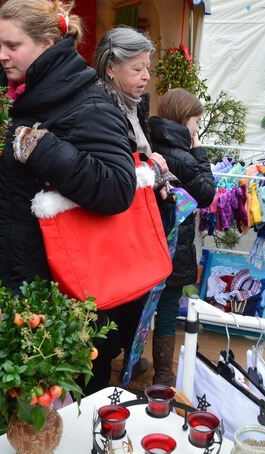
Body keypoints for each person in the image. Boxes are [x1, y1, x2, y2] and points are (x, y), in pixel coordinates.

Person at [0, 0, 136, 291]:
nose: (1, 55)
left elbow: (118, 187)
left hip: (50, 289)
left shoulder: (88, 104)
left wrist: (42, 148)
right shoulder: (3, 96)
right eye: (0, 46)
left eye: (13, 46)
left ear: (47, 44)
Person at [85, 26, 170, 392]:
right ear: (111, 68)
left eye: (147, 67)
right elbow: (109, 176)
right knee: (101, 341)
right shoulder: (100, 111)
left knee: (116, 330)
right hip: (109, 245)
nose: (146, 76)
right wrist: (152, 170)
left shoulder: (130, 107)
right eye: (137, 69)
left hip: (123, 244)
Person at [147, 88, 216, 385]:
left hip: (149, 240)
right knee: (168, 305)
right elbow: (206, 194)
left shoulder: (150, 144)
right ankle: (163, 374)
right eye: (195, 122)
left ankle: (133, 361)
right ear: (183, 119)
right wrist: (199, 151)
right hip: (173, 243)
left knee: (139, 306)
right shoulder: (184, 157)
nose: (197, 128)